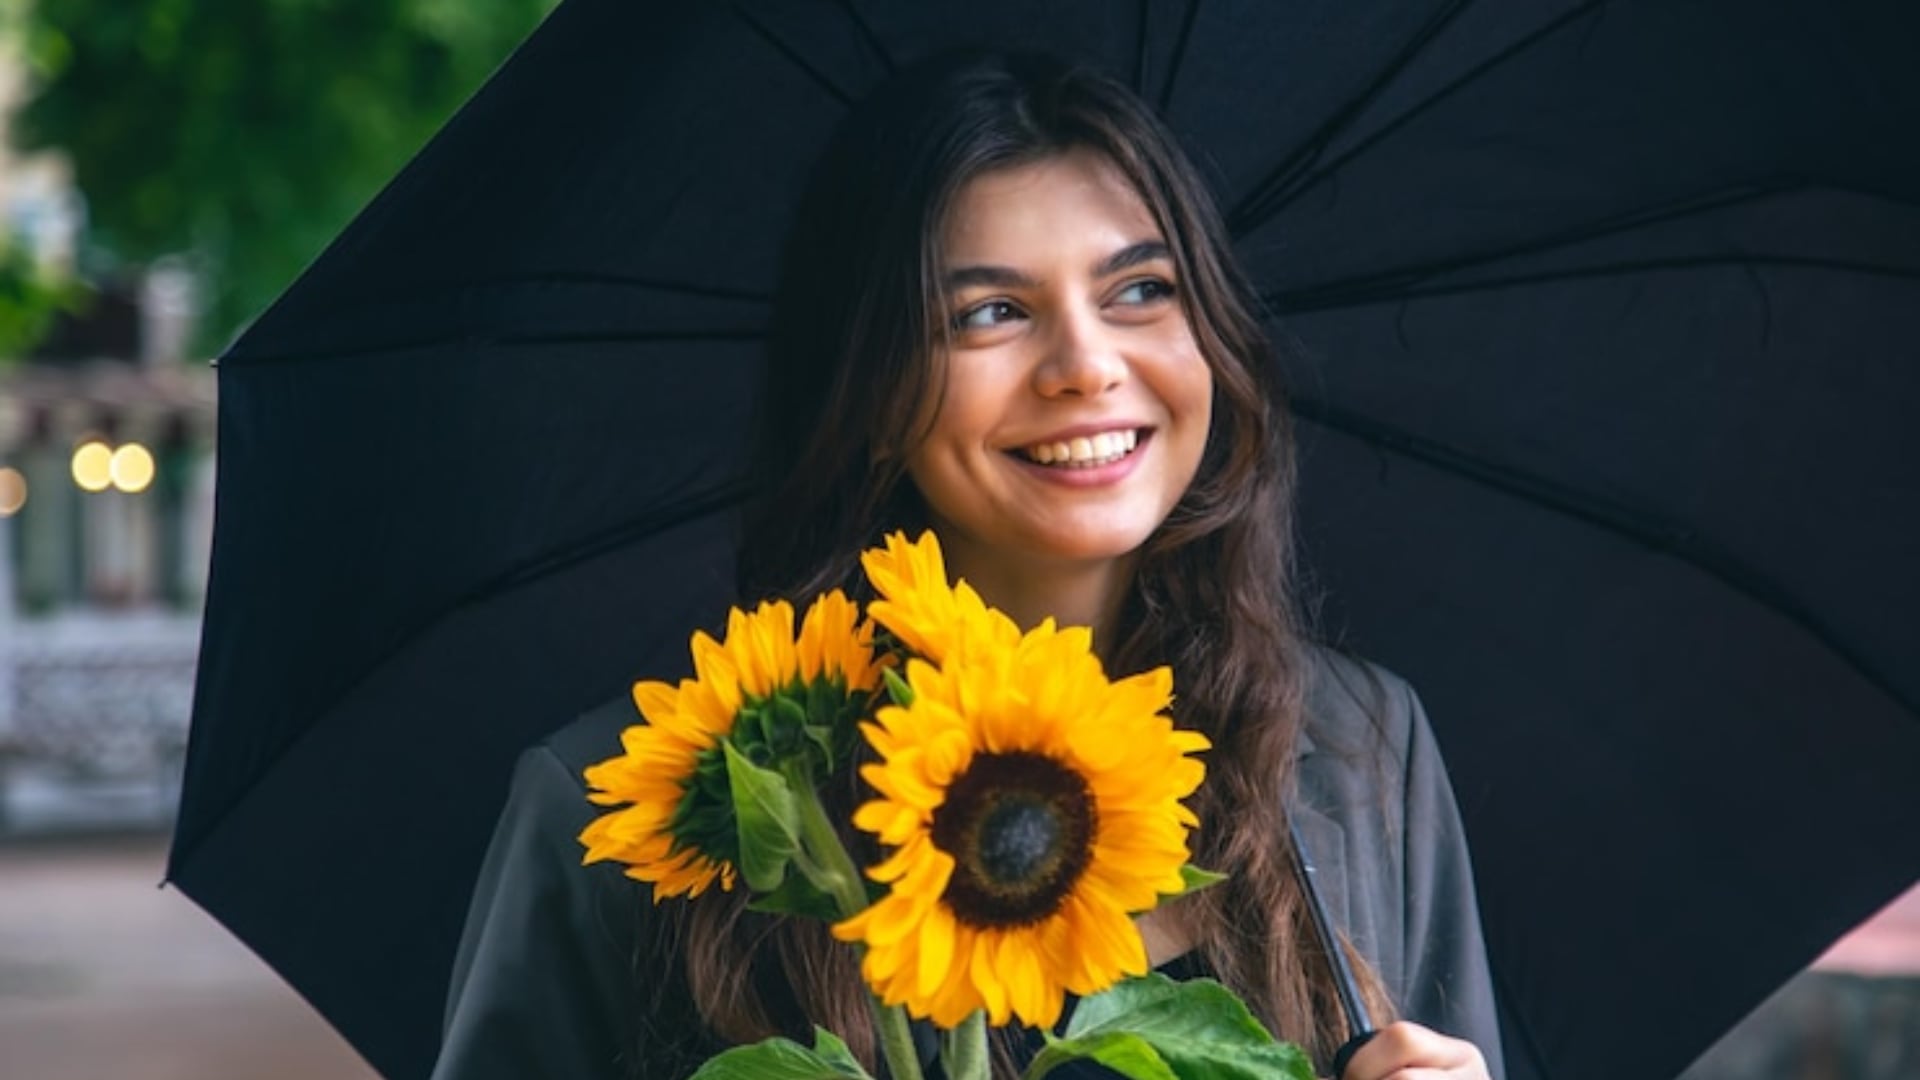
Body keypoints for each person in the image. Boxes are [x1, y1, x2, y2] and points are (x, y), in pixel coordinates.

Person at [431, 51, 1502, 1080]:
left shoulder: (1358, 759)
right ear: (875, 398)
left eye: (1140, 290)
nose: (1086, 366)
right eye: (990, 313)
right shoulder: (616, 819)